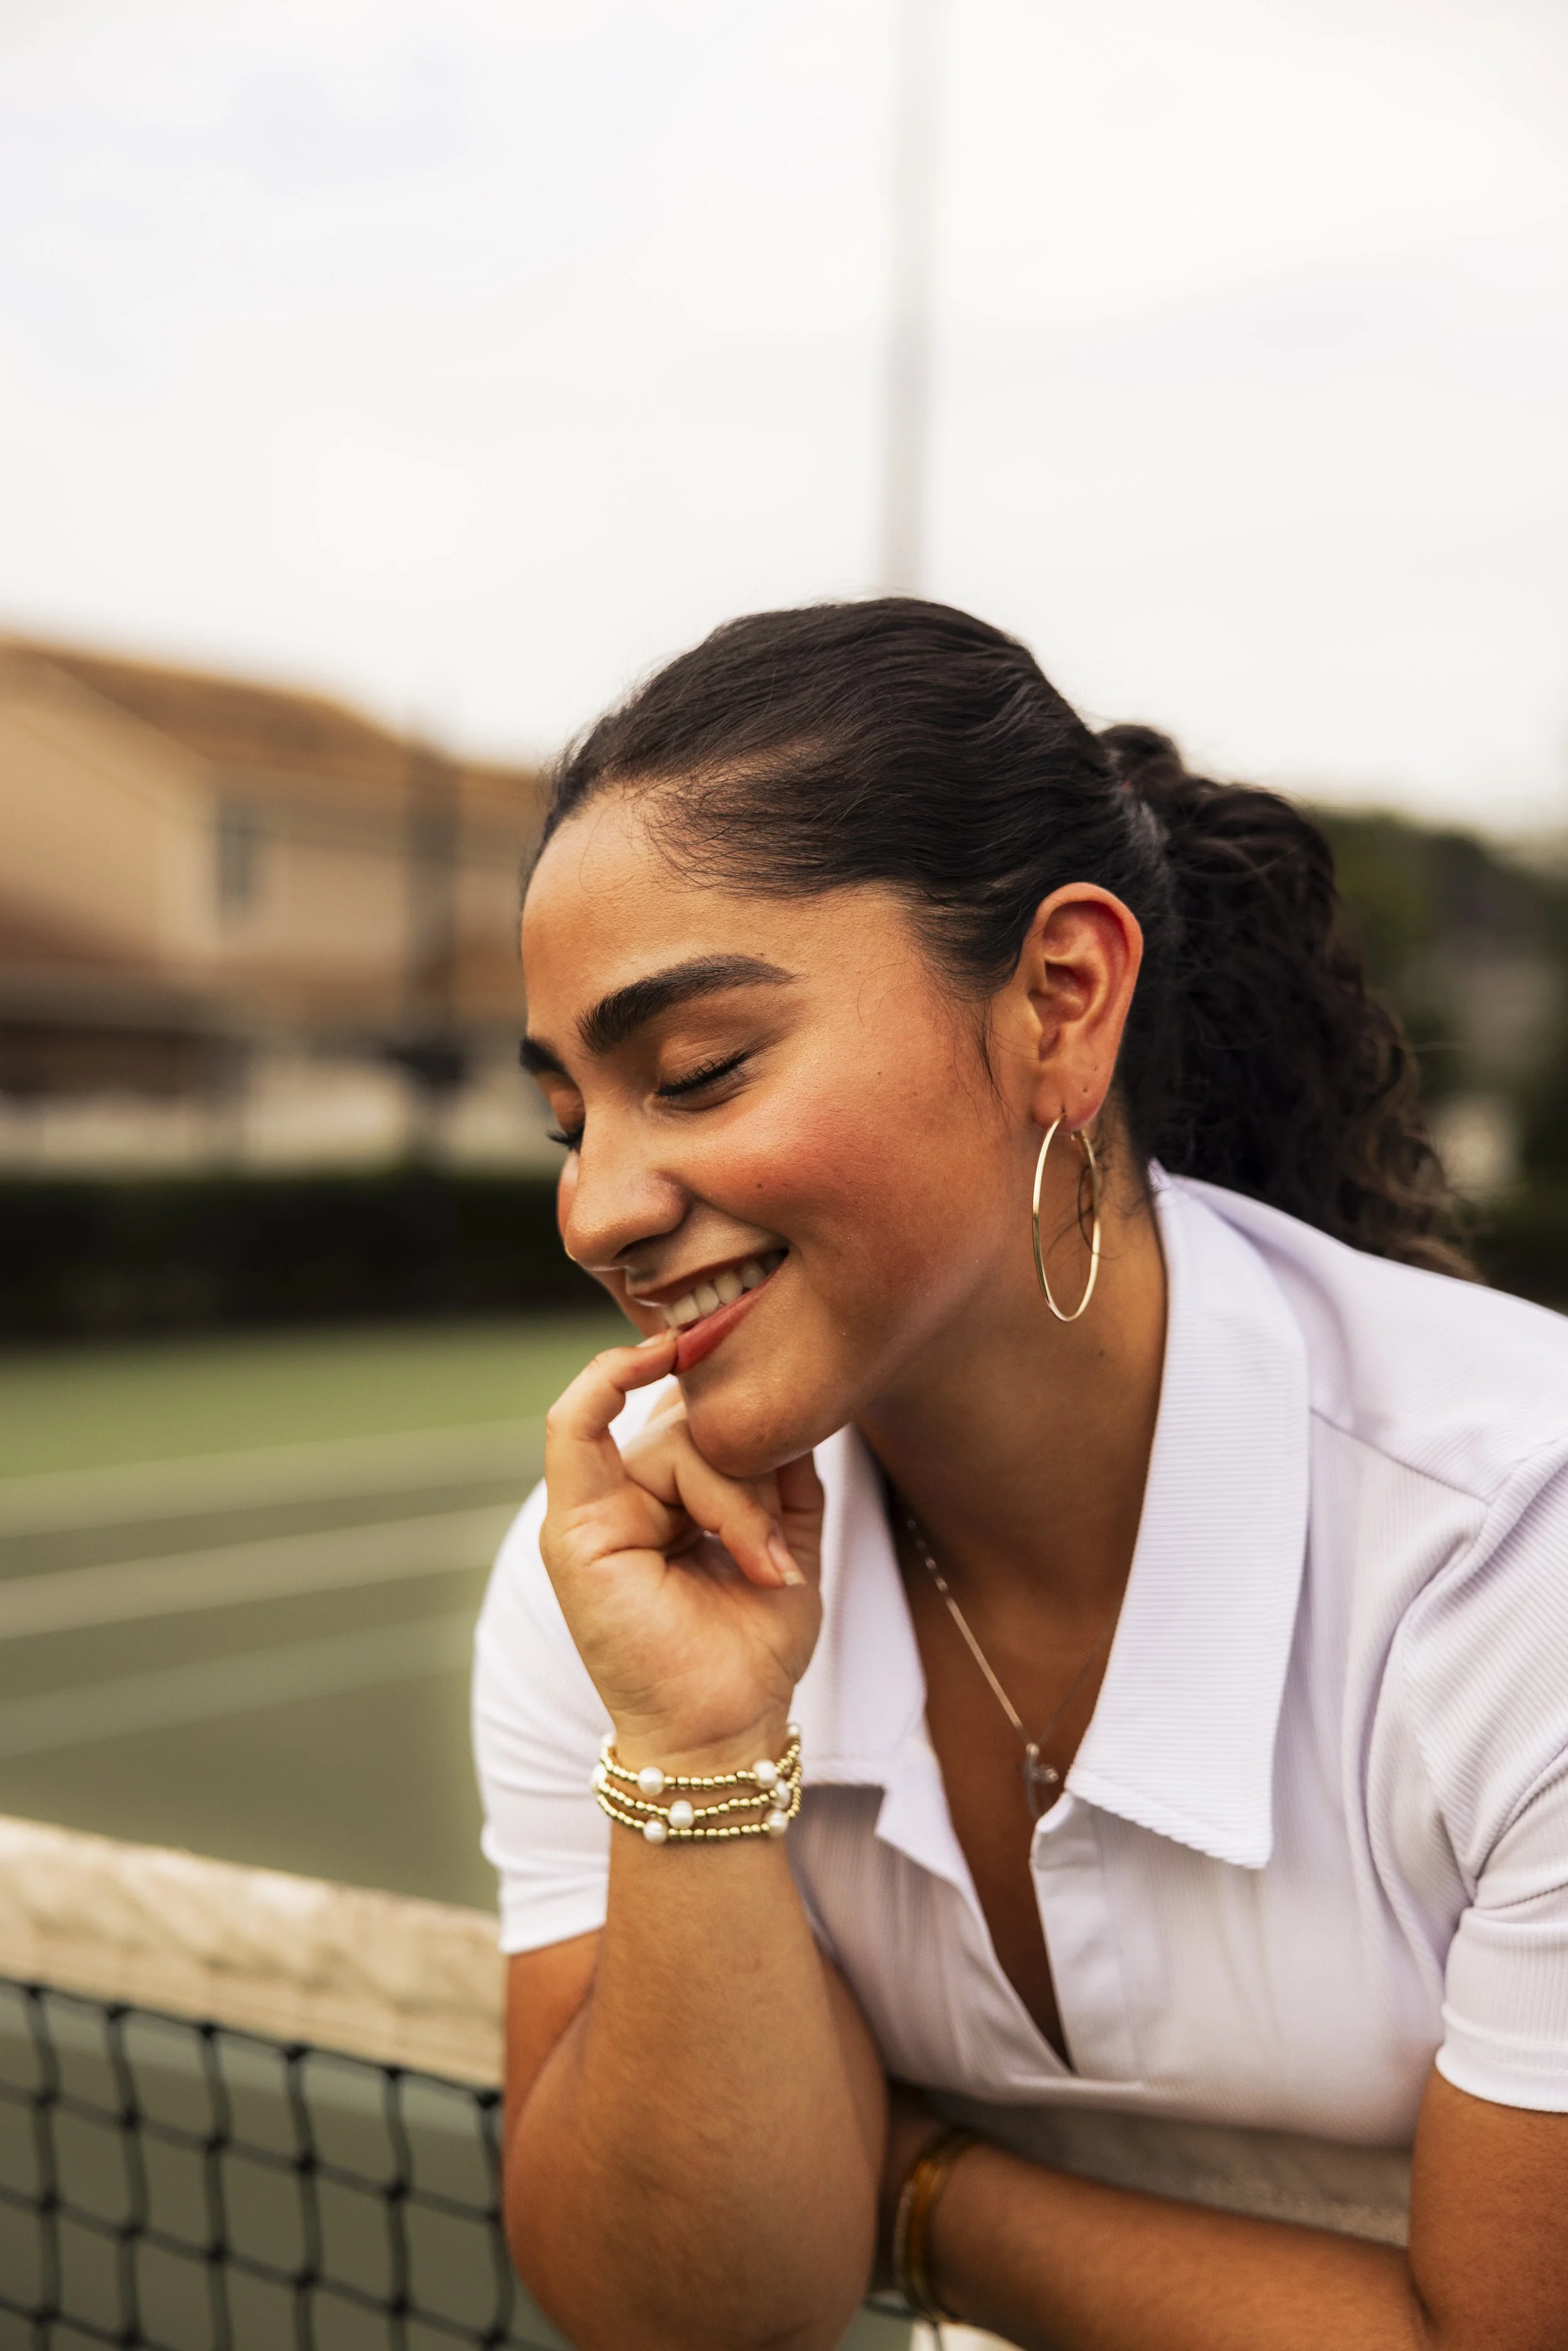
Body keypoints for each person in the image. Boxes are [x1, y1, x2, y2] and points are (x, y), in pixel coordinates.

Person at [472, 599, 1568, 2351]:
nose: (594, 1206)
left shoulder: (1522, 1548)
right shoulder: (609, 1586)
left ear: (1060, 998)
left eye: (697, 1069)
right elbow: (681, 2316)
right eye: (569, 1118)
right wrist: (693, 1757)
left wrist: (915, 2191)